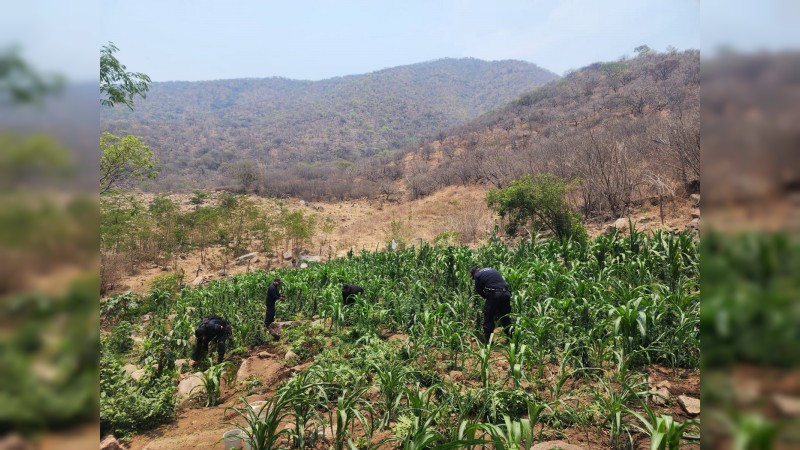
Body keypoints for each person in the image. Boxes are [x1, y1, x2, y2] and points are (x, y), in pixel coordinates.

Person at [470, 266, 513, 343]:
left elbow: (479, 290)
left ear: (474, 273)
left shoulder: (477, 275)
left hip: (494, 293)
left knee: (488, 316)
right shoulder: (492, 269)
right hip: (506, 293)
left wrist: (488, 298)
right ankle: (511, 339)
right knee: (505, 317)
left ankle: (488, 341)